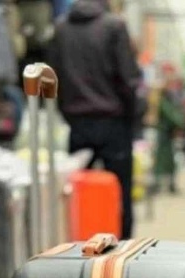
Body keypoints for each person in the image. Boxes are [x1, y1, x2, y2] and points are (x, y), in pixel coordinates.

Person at [50, 0, 141, 238]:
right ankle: (121, 247)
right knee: (119, 191)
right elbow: (128, 79)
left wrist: (68, 113)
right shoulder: (115, 26)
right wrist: (132, 117)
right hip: (114, 122)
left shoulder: (61, 29)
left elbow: (54, 78)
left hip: (77, 122)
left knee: (76, 190)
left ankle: (77, 244)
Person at [154, 76, 185, 195]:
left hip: (171, 134)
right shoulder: (163, 100)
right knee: (161, 160)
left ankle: (171, 184)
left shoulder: (173, 99)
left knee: (172, 161)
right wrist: (182, 123)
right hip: (164, 134)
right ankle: (158, 184)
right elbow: (172, 116)